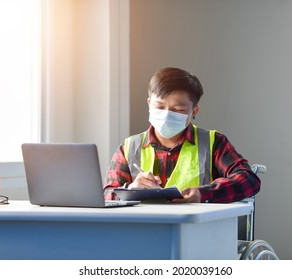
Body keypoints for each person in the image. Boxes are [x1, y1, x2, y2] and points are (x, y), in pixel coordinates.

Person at [104, 67, 260, 203]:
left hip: (197, 233)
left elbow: (249, 180)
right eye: (159, 106)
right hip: (143, 233)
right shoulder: (129, 148)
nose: (166, 115)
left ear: (194, 111)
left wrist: (203, 193)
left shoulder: (213, 143)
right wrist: (130, 190)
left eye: (178, 110)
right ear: (149, 104)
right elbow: (106, 195)